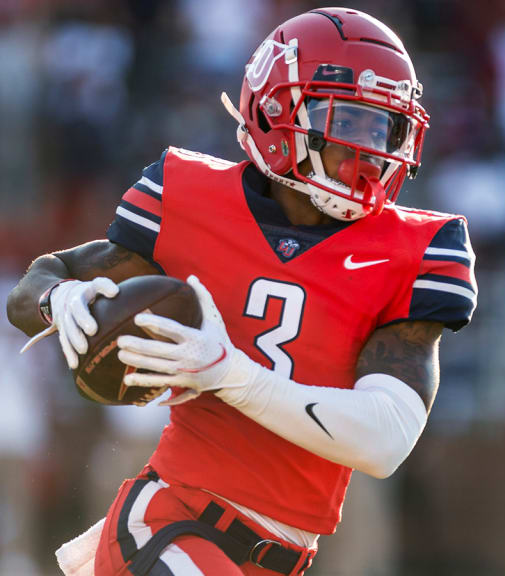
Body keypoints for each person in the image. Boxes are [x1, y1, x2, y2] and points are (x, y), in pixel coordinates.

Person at [6, 7, 477, 575]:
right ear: (279, 112)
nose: (371, 152)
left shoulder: (416, 246)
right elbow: (37, 283)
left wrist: (230, 373)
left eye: (386, 128)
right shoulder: (187, 193)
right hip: (170, 520)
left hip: (281, 556)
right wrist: (58, 299)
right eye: (350, 123)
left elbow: (384, 441)